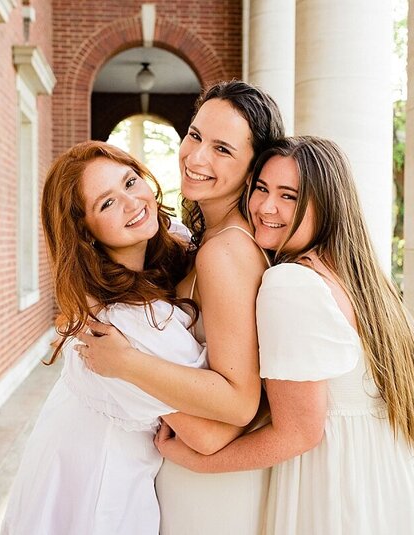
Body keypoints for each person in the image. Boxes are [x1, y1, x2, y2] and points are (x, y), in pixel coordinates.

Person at [155, 136, 414, 534]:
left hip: (343, 485)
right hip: (402, 477)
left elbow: (297, 433)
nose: (267, 207)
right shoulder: (361, 277)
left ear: (328, 204)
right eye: (262, 189)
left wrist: (197, 461)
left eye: (290, 196)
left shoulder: (290, 284)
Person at [76, 80, 285, 534]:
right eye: (195, 136)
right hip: (190, 469)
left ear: (255, 168)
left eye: (223, 149)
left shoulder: (224, 252)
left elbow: (239, 399)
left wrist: (126, 363)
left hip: (208, 485)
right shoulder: (200, 243)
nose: (196, 157)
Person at [1, 141, 221, 534]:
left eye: (131, 181)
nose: (132, 202)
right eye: (106, 203)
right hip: (95, 489)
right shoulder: (127, 325)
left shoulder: (161, 243)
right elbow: (207, 434)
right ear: (83, 232)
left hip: (63, 454)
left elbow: (175, 231)